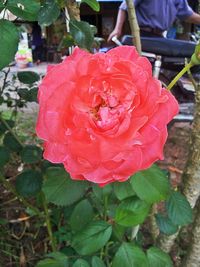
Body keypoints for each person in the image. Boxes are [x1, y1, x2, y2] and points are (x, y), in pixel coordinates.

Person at [108, 0, 200, 41]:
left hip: (160, 36)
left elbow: (189, 15)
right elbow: (124, 7)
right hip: (142, 35)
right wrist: (117, 29)